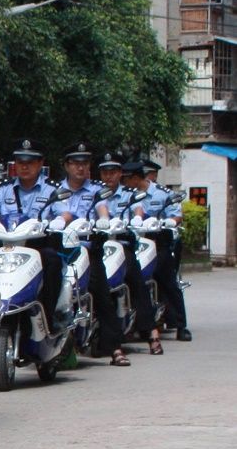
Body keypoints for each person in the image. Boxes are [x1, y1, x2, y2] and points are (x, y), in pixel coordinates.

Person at [0, 138, 71, 332]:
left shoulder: (51, 188)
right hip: (5, 246)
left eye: (30, 162)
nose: (25, 166)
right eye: (20, 162)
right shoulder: (3, 188)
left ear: (41, 163)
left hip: (37, 247)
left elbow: (65, 213)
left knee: (53, 261)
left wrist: (59, 220)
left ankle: (48, 317)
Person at [57, 142, 130, 368]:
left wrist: (104, 220)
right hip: (62, 249)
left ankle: (115, 349)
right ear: (66, 166)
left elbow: (102, 208)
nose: (80, 167)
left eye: (85, 163)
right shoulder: (56, 190)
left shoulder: (97, 190)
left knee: (102, 294)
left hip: (88, 248)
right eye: (75, 163)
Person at [96, 160, 165, 356]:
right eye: (105, 172)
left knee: (137, 283)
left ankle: (152, 333)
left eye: (112, 172)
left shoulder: (129, 194)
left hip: (123, 245)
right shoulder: (97, 193)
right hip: (100, 246)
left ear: (120, 174)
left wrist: (137, 218)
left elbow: (138, 208)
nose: (108, 176)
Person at [140, 156, 190, 340]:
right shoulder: (126, 193)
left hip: (158, 241)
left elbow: (176, 216)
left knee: (168, 281)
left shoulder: (162, 193)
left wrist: (170, 222)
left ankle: (180, 325)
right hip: (134, 242)